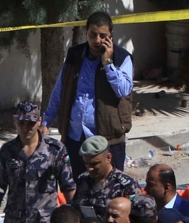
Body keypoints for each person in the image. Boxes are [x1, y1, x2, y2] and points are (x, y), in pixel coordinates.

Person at [40, 11, 134, 174]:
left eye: (102, 35)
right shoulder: (74, 55)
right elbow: (60, 90)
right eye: (93, 34)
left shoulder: (122, 58)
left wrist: (108, 63)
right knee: (75, 189)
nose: (97, 40)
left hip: (108, 138)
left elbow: (123, 90)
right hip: (75, 136)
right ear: (86, 33)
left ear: (110, 35)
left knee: (110, 190)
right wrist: (46, 121)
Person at [71, 136, 139, 221]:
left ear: (108, 158)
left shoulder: (126, 185)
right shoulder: (83, 180)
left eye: (94, 164)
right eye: (86, 163)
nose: (89, 168)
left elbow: (136, 219)